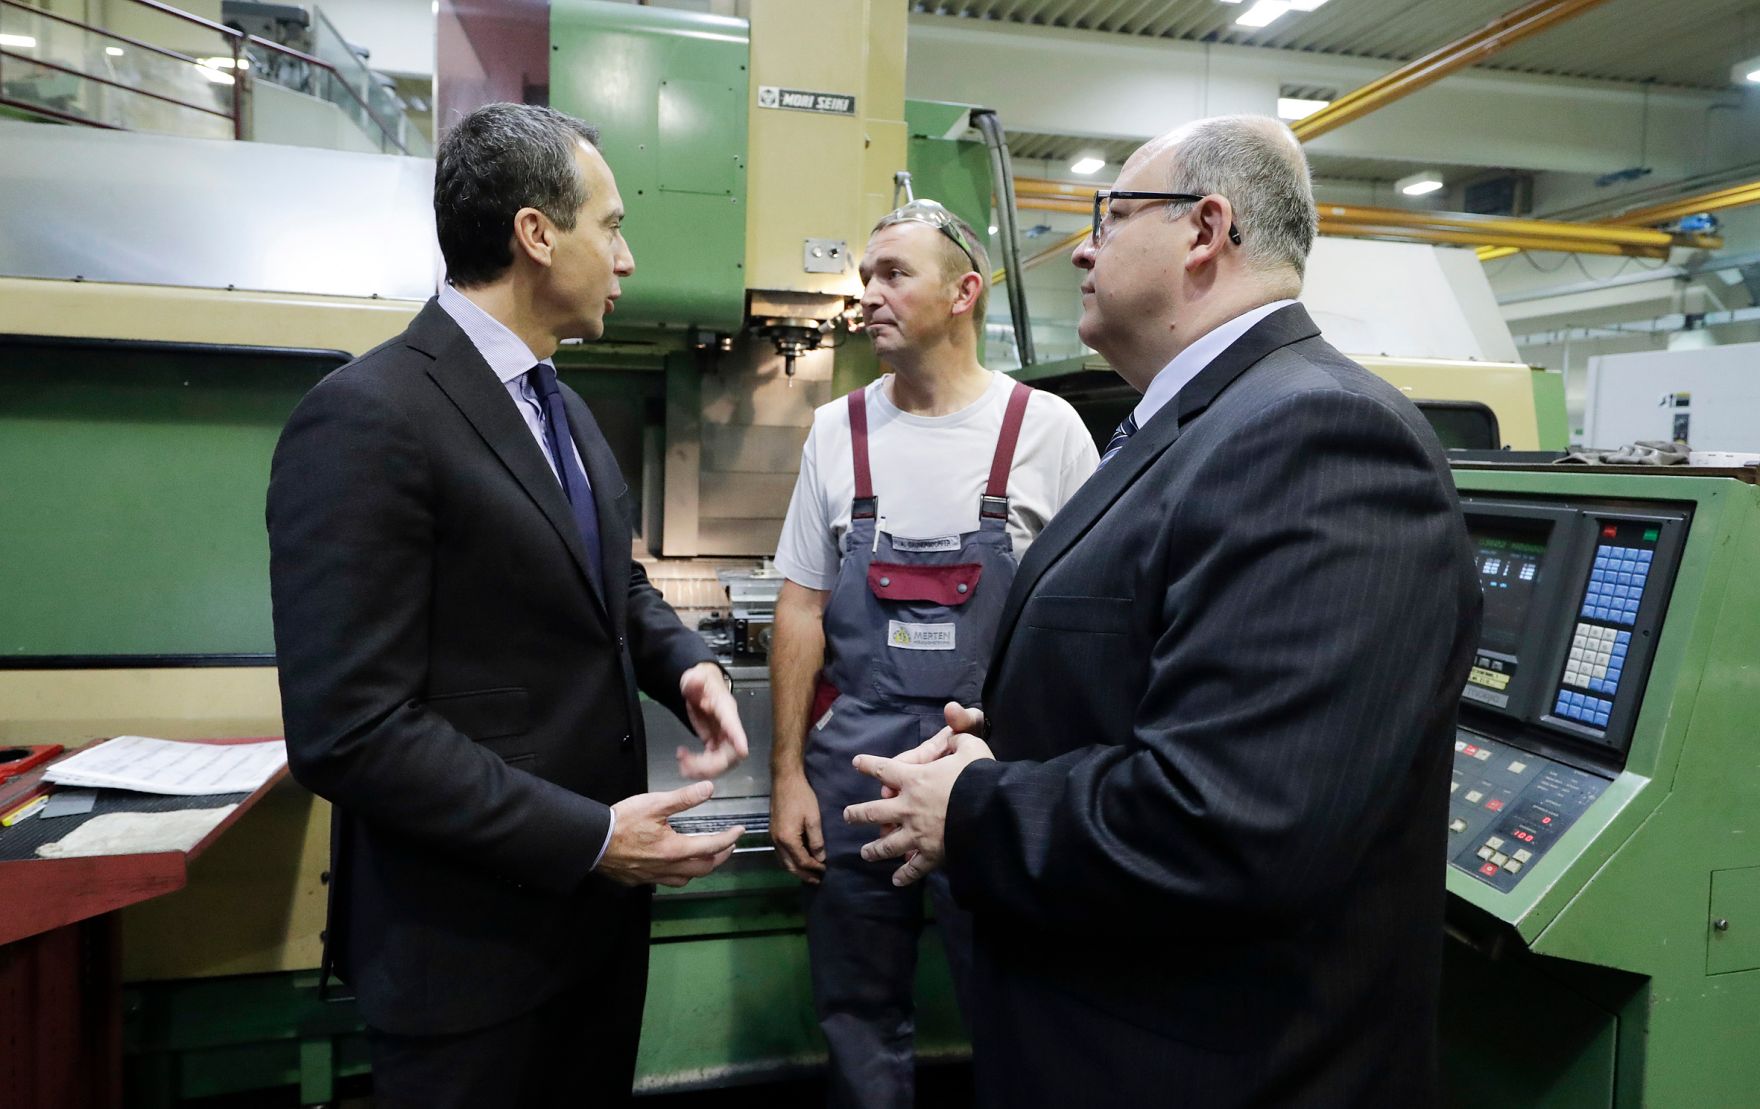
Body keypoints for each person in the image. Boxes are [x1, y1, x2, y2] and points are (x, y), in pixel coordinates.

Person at [844, 116, 1483, 1107]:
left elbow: (1233, 817)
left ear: (1203, 230)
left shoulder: (1317, 434)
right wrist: (1006, 738)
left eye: (1110, 214)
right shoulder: (1182, 426)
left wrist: (973, 805)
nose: (1085, 247)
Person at [266, 102, 748, 1108]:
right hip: (468, 959)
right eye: (610, 226)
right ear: (536, 233)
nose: (625, 259)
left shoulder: (558, 404)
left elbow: (606, 579)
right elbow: (350, 729)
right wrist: (591, 836)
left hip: (591, 936)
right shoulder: (369, 416)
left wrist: (683, 661)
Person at [768, 199, 1096, 1107]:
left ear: (965, 291)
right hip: (855, 770)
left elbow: (1089, 624)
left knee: (1017, 1004)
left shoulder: (1049, 432)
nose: (867, 293)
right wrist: (787, 774)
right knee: (857, 1010)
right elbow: (800, 605)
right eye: (865, 276)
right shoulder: (838, 430)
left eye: (892, 274)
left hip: (990, 768)